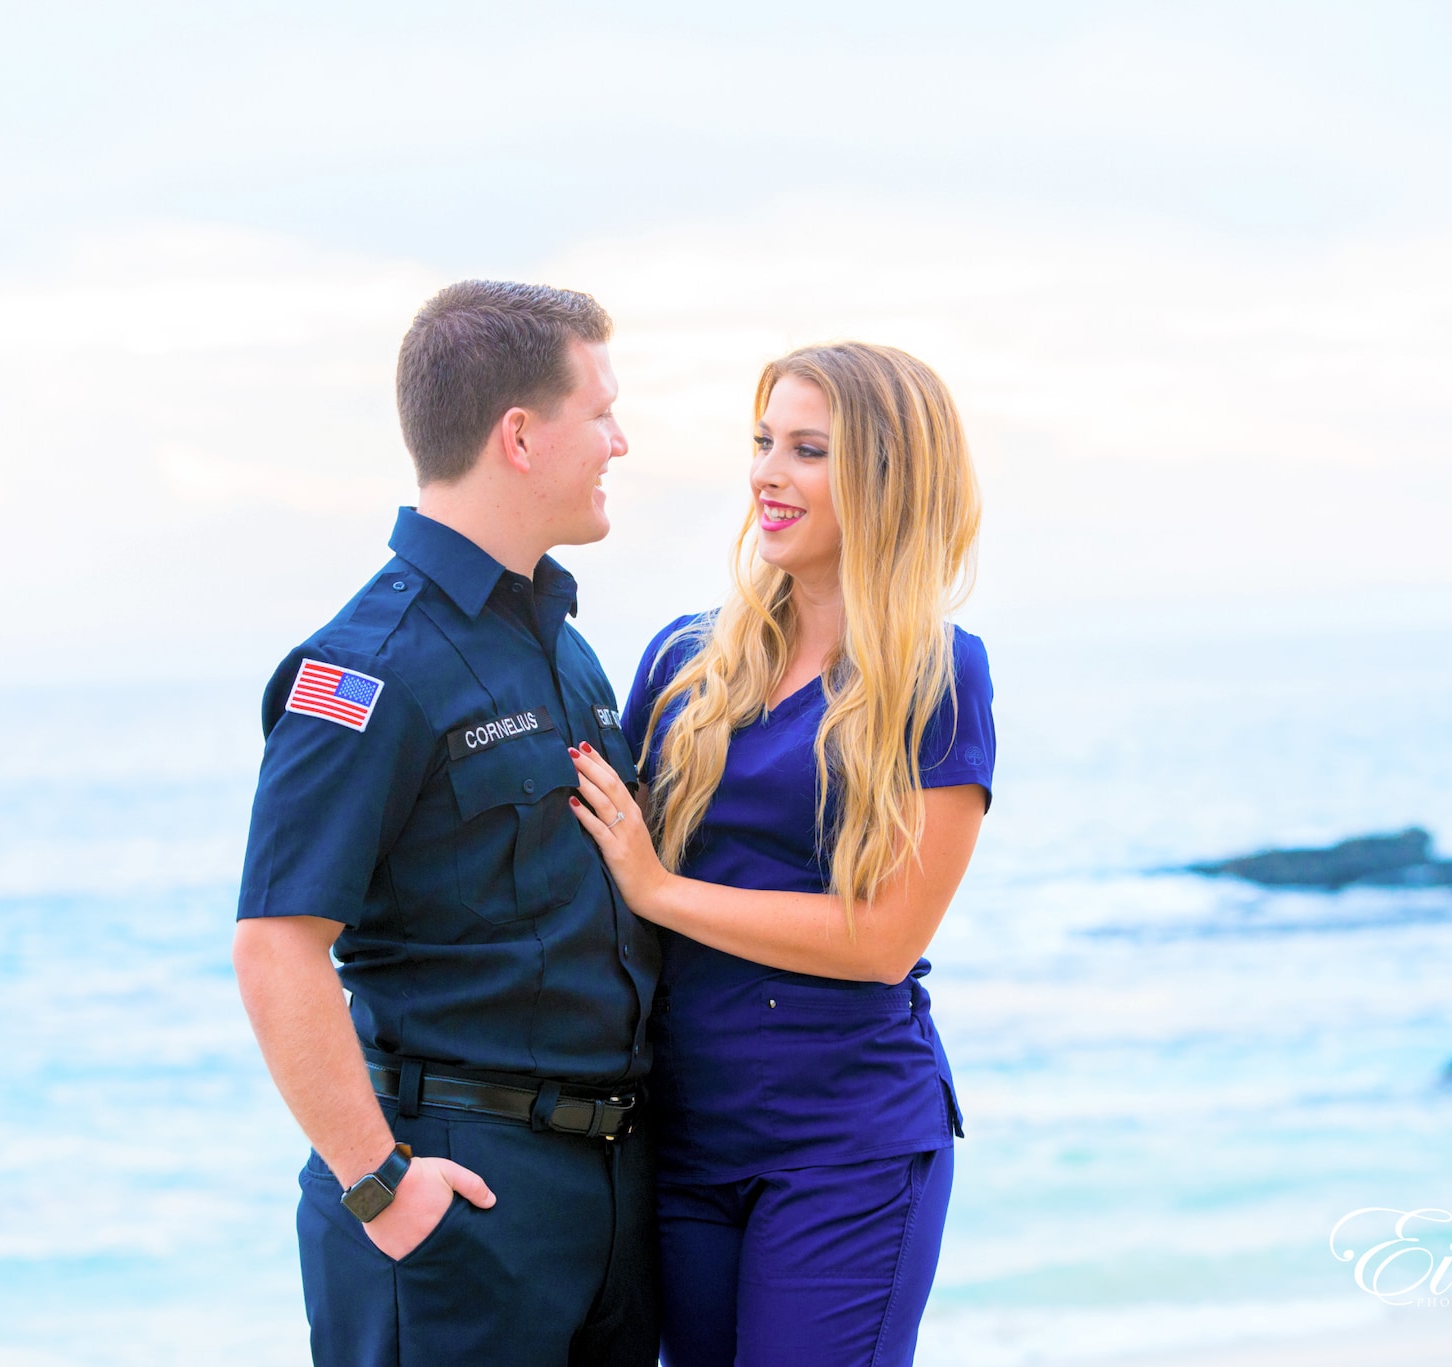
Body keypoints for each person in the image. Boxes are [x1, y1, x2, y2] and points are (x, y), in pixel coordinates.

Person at [231, 280, 662, 1367]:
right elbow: (277, 942)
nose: (620, 439)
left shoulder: (559, 643)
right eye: (600, 411)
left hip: (607, 1195)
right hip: (459, 1194)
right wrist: (379, 1182)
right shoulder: (365, 667)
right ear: (519, 435)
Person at [567, 342, 992, 1367]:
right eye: (763, 442)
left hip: (846, 1142)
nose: (767, 471)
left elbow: (885, 938)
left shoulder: (938, 672)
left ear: (886, 479)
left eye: (807, 449)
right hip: (679, 1136)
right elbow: (589, 876)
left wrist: (662, 888)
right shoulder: (682, 660)